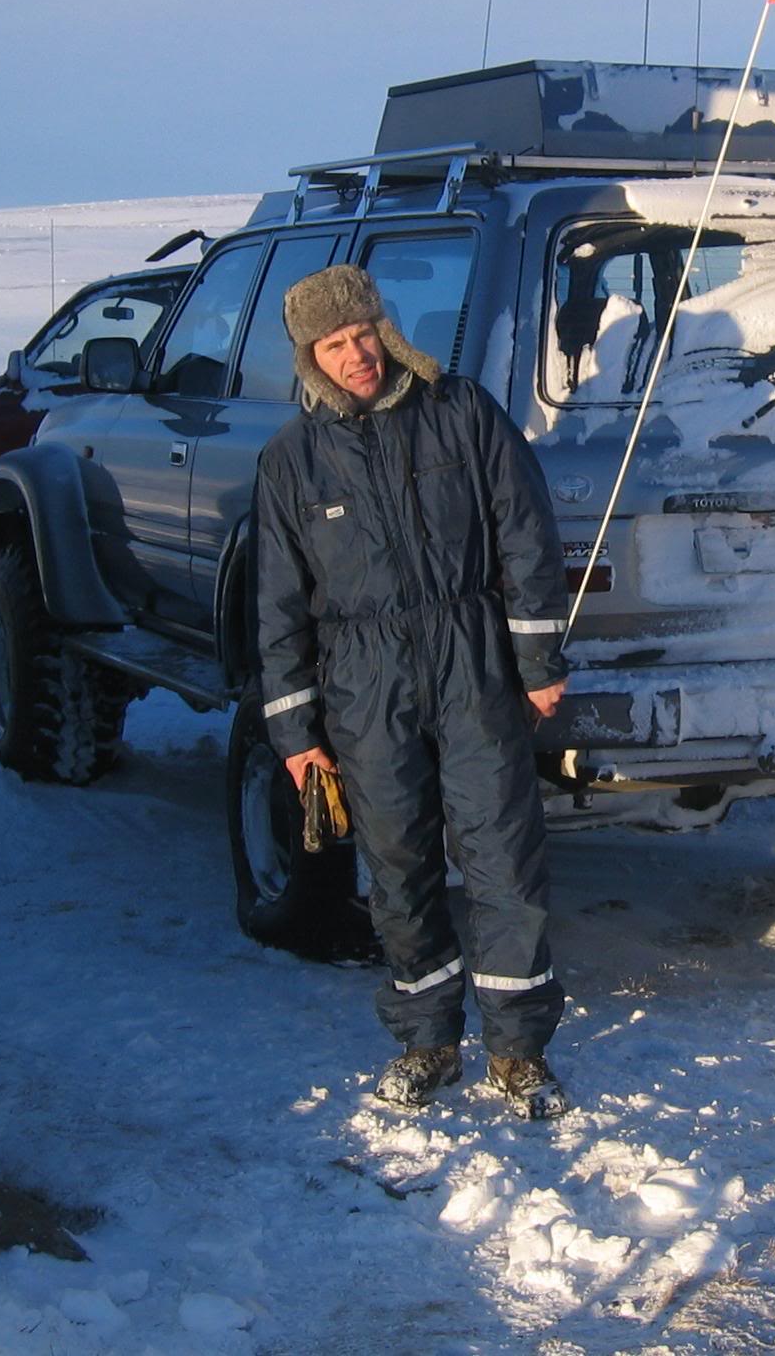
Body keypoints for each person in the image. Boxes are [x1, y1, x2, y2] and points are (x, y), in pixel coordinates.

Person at [255, 265, 575, 1119]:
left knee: (503, 857)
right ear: (311, 357)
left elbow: (524, 530)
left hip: (472, 661)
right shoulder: (290, 460)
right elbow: (278, 604)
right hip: (365, 685)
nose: (356, 355)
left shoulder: (459, 411)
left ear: (385, 330)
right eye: (334, 344)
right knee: (397, 865)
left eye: (363, 334)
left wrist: (539, 662)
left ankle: (519, 1052)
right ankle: (428, 1040)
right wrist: (296, 734)